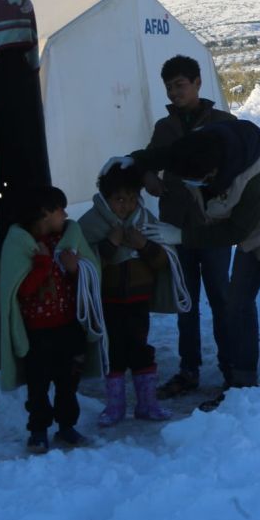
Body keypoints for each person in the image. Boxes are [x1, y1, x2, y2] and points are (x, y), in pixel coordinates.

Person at [116, 119, 260, 409]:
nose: (192, 184)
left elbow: (235, 231)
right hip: (251, 228)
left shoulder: (258, 173)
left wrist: (182, 235)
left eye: (196, 180)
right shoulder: (199, 147)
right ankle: (242, 382)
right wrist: (132, 160)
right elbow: (165, 155)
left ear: (212, 171)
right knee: (238, 303)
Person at [145, 55, 236, 399]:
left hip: (212, 226)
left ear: (198, 82)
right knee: (186, 302)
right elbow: (149, 162)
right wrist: (149, 177)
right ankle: (189, 370)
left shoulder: (224, 122)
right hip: (176, 226)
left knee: (221, 299)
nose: (173, 92)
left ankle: (231, 368)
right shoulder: (164, 128)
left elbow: (240, 167)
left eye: (180, 85)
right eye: (168, 87)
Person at [0, 185, 102, 453]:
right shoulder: (20, 245)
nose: (65, 214)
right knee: (38, 385)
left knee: (68, 383)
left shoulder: (69, 238)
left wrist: (76, 268)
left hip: (69, 327)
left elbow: (90, 275)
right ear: (44, 213)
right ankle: (38, 429)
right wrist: (43, 265)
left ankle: (67, 426)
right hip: (38, 333)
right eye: (60, 209)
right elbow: (21, 291)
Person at [78, 163, 180, 424]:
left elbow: (163, 260)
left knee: (140, 349)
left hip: (138, 300)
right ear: (105, 198)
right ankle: (115, 407)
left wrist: (143, 245)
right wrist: (111, 244)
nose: (127, 205)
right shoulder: (91, 224)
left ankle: (147, 404)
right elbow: (88, 262)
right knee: (113, 351)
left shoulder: (146, 222)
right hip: (108, 300)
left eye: (133, 199)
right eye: (119, 200)